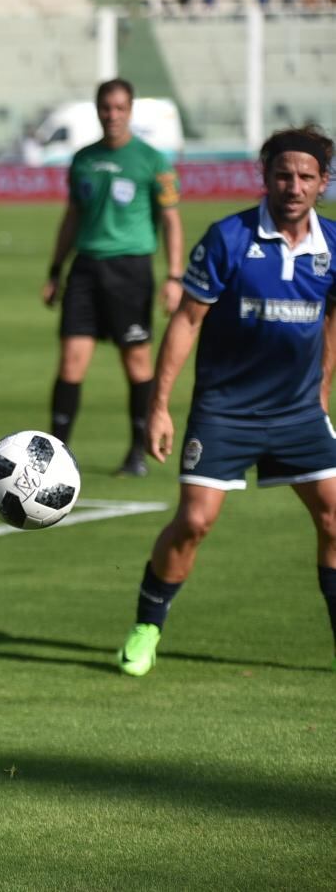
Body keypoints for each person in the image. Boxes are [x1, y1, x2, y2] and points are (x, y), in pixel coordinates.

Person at [117, 125, 336, 677]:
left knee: (335, 520)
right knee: (194, 522)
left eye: (305, 176)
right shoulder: (228, 238)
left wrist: (323, 388)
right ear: (264, 178)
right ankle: (147, 625)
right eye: (283, 174)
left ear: (323, 183)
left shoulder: (332, 246)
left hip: (298, 413)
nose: (293, 185)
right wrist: (159, 406)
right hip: (225, 411)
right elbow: (187, 321)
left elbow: (332, 319)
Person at [42, 78, 185, 477]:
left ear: (131, 109)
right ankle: (55, 458)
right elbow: (72, 217)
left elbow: (172, 222)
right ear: (98, 109)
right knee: (71, 362)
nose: (113, 115)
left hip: (130, 270)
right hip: (85, 268)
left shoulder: (153, 161)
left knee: (137, 363)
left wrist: (174, 276)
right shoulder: (83, 159)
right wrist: (56, 270)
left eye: (120, 108)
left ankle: (137, 452)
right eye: (106, 107)